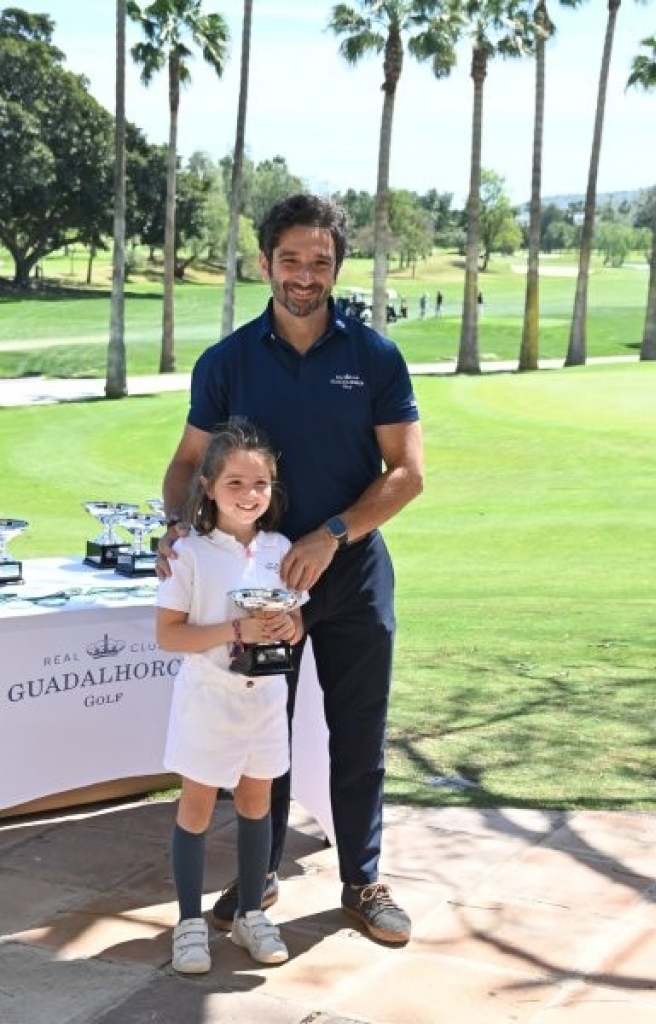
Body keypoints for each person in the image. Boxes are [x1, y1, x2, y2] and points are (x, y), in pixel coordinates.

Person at [157, 192, 424, 946]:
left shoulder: (373, 356)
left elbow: (407, 474)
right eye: (291, 259)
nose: (305, 275)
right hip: (260, 587)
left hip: (354, 572)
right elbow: (185, 465)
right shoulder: (227, 361)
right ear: (265, 261)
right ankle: (261, 874)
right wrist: (177, 526)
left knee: (359, 731)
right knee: (260, 727)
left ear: (338, 266)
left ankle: (362, 879)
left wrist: (332, 534)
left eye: (320, 261)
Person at [157, 419, 306, 974]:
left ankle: (250, 914)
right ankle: (189, 922)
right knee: (197, 806)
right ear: (209, 487)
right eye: (235, 483)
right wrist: (235, 630)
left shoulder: (280, 548)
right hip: (209, 700)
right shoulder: (189, 554)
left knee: (256, 802)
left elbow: (295, 622)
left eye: (260, 483)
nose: (249, 494)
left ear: (273, 488)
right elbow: (169, 635)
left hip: (264, 699)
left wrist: (288, 626)